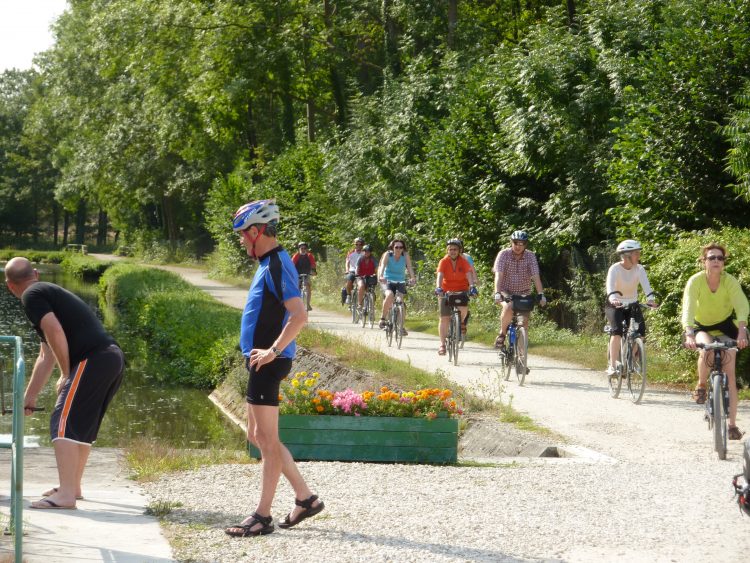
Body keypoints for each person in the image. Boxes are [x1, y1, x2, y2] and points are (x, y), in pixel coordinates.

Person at [225, 199, 324, 537]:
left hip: (269, 362)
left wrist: (272, 350)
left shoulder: (279, 264)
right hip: (261, 362)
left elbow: (299, 316)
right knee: (258, 435)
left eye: (242, 235)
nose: (240, 241)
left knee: (266, 440)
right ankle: (305, 498)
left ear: (257, 231)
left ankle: (262, 516)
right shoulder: (268, 262)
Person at [4, 257, 125, 510]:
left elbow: (56, 332)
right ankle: (73, 487)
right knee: (80, 426)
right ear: (35, 273)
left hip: (92, 358)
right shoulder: (45, 291)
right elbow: (45, 354)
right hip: (110, 357)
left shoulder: (31, 296)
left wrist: (66, 373)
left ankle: (66, 495)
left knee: (62, 422)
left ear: (9, 285)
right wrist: (29, 398)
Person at [682, 243, 748, 440]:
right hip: (702, 326)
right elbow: (688, 308)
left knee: (731, 375)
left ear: (724, 262)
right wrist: (689, 334)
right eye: (712, 258)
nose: (716, 261)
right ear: (704, 261)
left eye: (720, 258)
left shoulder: (730, 281)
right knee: (706, 349)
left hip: (726, 325)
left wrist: (742, 333)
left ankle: (732, 426)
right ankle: (701, 385)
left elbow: (742, 306)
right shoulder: (695, 281)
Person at [605, 240, 658, 376]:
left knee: (640, 332)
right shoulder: (615, 269)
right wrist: (613, 299)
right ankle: (612, 366)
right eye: (636, 253)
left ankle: (631, 357)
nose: (638, 256)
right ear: (626, 255)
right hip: (615, 304)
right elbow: (610, 287)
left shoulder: (639, 269)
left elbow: (647, 287)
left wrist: (650, 299)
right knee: (616, 332)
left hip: (632, 303)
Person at [492, 230, 546, 349]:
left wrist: (541, 294)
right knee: (508, 307)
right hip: (505, 290)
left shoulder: (530, 256)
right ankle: (502, 333)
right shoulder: (503, 254)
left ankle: (522, 359)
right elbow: (498, 275)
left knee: (524, 323)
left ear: (525, 245)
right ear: (511, 242)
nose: (518, 246)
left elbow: (535, 276)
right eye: (516, 243)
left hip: (523, 293)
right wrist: (497, 292)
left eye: (521, 244)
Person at [435, 239, 477, 355]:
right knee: (444, 318)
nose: (452, 251)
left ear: (459, 251)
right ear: (447, 250)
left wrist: (472, 286)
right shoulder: (443, 261)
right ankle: (442, 345)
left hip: (461, 289)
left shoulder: (463, 261)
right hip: (445, 290)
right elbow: (440, 275)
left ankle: (460, 323)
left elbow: (469, 274)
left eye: (455, 249)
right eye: (450, 249)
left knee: (463, 309)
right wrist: (438, 287)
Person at [377, 236, 416, 332]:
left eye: (401, 247)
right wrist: (381, 276)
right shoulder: (388, 255)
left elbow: (409, 267)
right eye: (396, 247)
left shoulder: (405, 255)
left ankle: (401, 326)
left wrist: (412, 278)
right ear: (392, 247)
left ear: (403, 248)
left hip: (400, 281)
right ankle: (382, 319)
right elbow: (382, 266)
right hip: (387, 280)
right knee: (390, 295)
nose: (399, 249)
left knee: (400, 301)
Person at [291, 241, 317, 311]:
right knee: (296, 287)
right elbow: (292, 265)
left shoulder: (309, 255)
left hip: (306, 273)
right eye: (301, 248)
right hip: (297, 274)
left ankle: (308, 304)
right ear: (299, 249)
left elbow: (313, 264)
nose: (303, 249)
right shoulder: (296, 255)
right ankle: (296, 303)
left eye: (304, 248)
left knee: (308, 285)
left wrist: (313, 271)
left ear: (306, 249)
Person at [355, 244, 378, 312]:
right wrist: (357, 273)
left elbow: (377, 268)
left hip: (370, 277)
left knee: (371, 291)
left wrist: (377, 274)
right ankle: (359, 304)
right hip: (360, 277)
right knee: (361, 286)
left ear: (370, 252)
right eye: (365, 251)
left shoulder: (373, 259)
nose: (366, 253)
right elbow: (357, 267)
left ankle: (370, 305)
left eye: (368, 251)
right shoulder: (360, 258)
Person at [344, 237, 365, 304]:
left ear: (362, 245)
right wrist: (347, 270)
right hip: (352, 270)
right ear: (354, 244)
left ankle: (366, 299)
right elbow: (347, 262)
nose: (358, 246)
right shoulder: (350, 252)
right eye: (356, 244)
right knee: (349, 281)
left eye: (360, 244)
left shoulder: (365, 252)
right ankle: (348, 295)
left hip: (362, 271)